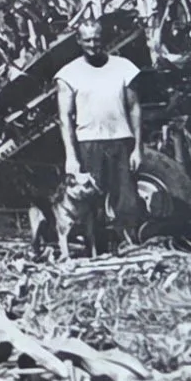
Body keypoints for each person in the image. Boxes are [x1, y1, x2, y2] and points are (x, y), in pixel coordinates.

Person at [53, 14, 144, 253]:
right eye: (88, 40)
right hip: (89, 143)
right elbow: (65, 119)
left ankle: (129, 245)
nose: (93, 45)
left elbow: (134, 108)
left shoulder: (123, 67)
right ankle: (100, 252)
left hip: (121, 141)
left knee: (126, 198)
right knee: (93, 203)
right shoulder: (68, 75)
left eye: (97, 39)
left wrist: (137, 147)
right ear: (79, 41)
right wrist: (71, 157)